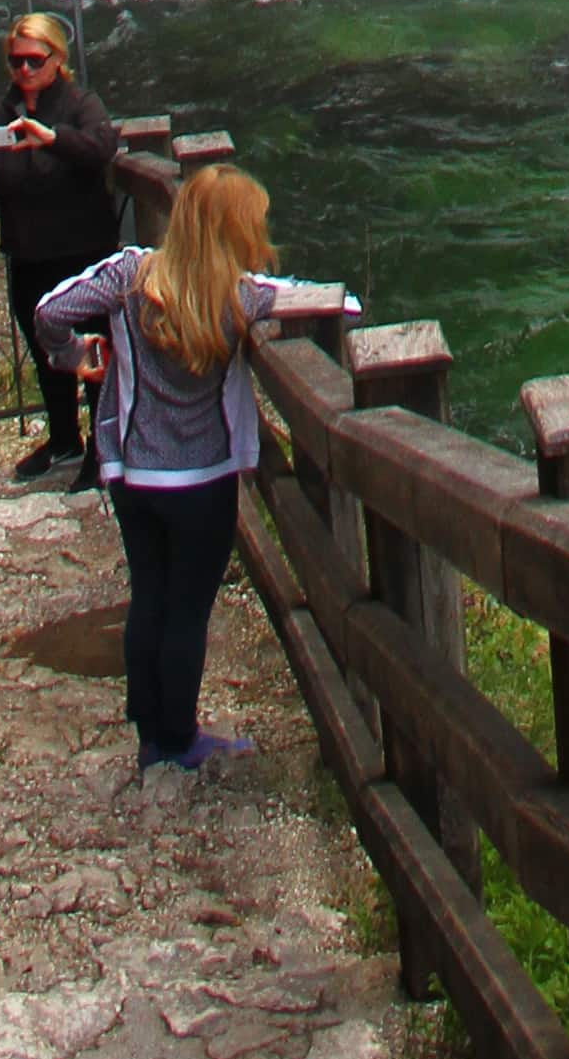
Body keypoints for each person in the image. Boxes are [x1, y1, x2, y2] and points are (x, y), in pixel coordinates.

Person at [34, 164, 348, 769]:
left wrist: (73, 353)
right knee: (187, 610)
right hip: (203, 479)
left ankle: (149, 728)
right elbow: (341, 303)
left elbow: (50, 309)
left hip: (134, 475)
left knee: (149, 594)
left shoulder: (131, 276)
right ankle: (179, 739)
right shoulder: (244, 298)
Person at [0, 8, 126, 487]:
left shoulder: (80, 104)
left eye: (34, 60)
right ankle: (62, 440)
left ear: (57, 59)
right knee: (47, 352)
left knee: (92, 354)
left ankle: (102, 447)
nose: (25, 71)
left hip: (82, 251)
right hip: (28, 252)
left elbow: (100, 149)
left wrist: (49, 138)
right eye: (16, 61)